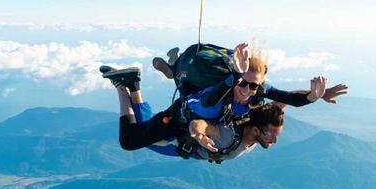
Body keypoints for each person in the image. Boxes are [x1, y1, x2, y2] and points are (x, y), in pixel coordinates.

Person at [105, 65, 283, 163]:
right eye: (271, 135)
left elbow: (281, 104)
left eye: (275, 135)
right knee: (130, 140)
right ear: (256, 129)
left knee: (147, 126)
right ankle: (123, 85)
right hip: (177, 143)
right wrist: (198, 134)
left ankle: (133, 82)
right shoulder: (228, 135)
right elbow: (202, 126)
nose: (274, 140)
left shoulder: (254, 117)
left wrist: (309, 96)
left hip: (186, 131)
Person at [153, 43, 348, 127]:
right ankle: (171, 68)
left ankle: (171, 67)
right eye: (244, 83)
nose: (248, 90)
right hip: (196, 80)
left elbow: (289, 98)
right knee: (185, 89)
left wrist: (316, 96)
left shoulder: (259, 88)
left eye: (254, 86)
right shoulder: (218, 79)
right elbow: (204, 99)